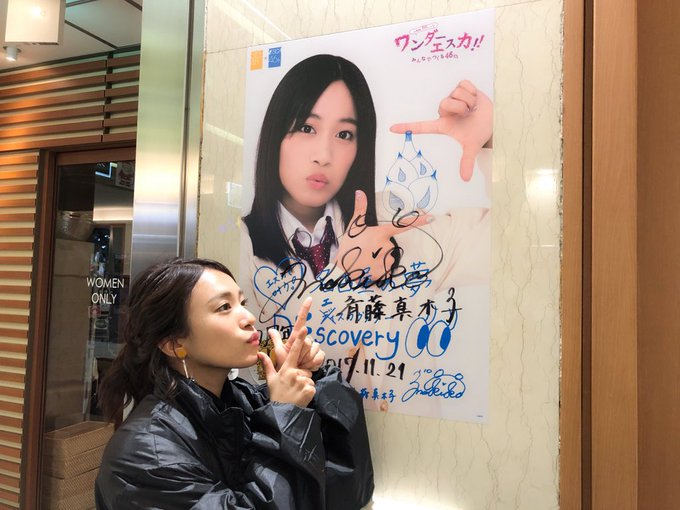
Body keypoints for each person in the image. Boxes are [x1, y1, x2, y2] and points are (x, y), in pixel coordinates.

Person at [239, 54, 492, 394]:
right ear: (275, 135)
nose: (323, 155)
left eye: (344, 134)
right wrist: (342, 277)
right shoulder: (240, 246)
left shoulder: (395, 222)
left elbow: (513, 246)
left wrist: (489, 141)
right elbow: (253, 367)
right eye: (307, 128)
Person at [94, 258, 374, 509]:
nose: (249, 318)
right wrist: (285, 415)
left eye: (242, 303)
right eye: (224, 307)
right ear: (174, 344)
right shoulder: (146, 453)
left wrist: (312, 376)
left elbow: (347, 491)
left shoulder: (243, 404)